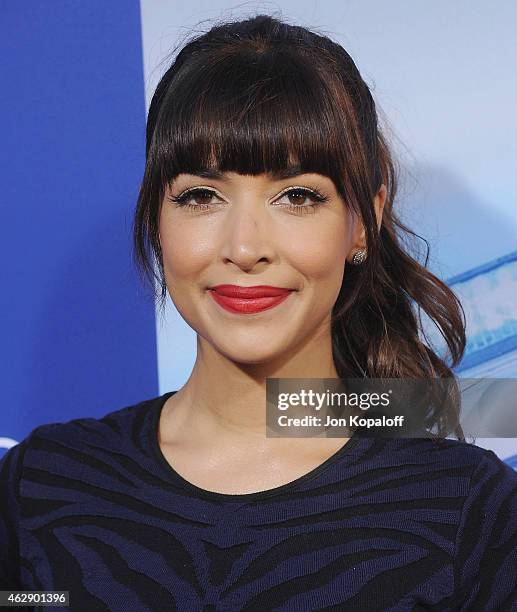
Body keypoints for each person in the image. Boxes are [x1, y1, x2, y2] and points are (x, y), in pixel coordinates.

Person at [1, 13, 516, 611]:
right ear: (155, 218)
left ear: (364, 222)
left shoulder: (468, 513)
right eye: (201, 196)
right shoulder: (44, 487)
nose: (244, 248)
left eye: (298, 196)